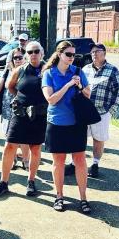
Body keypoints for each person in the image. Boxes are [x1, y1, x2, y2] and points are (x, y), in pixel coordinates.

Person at [41, 40, 92, 214]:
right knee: (59, 162)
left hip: (77, 123)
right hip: (57, 123)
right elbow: (51, 99)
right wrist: (68, 85)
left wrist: (79, 85)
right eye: (68, 54)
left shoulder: (77, 72)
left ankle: (83, 198)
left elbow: (88, 94)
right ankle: (59, 196)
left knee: (80, 160)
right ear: (59, 54)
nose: (71, 58)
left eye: (74, 55)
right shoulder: (49, 73)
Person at [0, 43, 46, 197]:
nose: (33, 54)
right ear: (26, 54)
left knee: (35, 148)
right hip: (20, 113)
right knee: (9, 146)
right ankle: (3, 182)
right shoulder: (20, 70)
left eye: (36, 51)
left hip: (39, 114)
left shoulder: (48, 69)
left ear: (42, 53)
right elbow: (10, 86)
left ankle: (31, 181)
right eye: (30, 52)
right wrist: (20, 98)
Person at [82, 43, 119, 177]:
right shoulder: (85, 69)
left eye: (97, 51)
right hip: (85, 112)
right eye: (92, 52)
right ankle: (76, 163)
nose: (93, 54)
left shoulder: (113, 70)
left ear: (104, 53)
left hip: (102, 112)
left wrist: (111, 111)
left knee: (98, 139)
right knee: (80, 137)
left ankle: (95, 164)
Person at [0, 47, 27, 168]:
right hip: (8, 109)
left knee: (23, 137)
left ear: (24, 58)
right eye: (15, 57)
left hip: (24, 109)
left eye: (20, 57)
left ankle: (26, 160)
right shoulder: (7, 71)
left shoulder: (28, 71)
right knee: (9, 136)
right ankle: (13, 158)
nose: (17, 60)